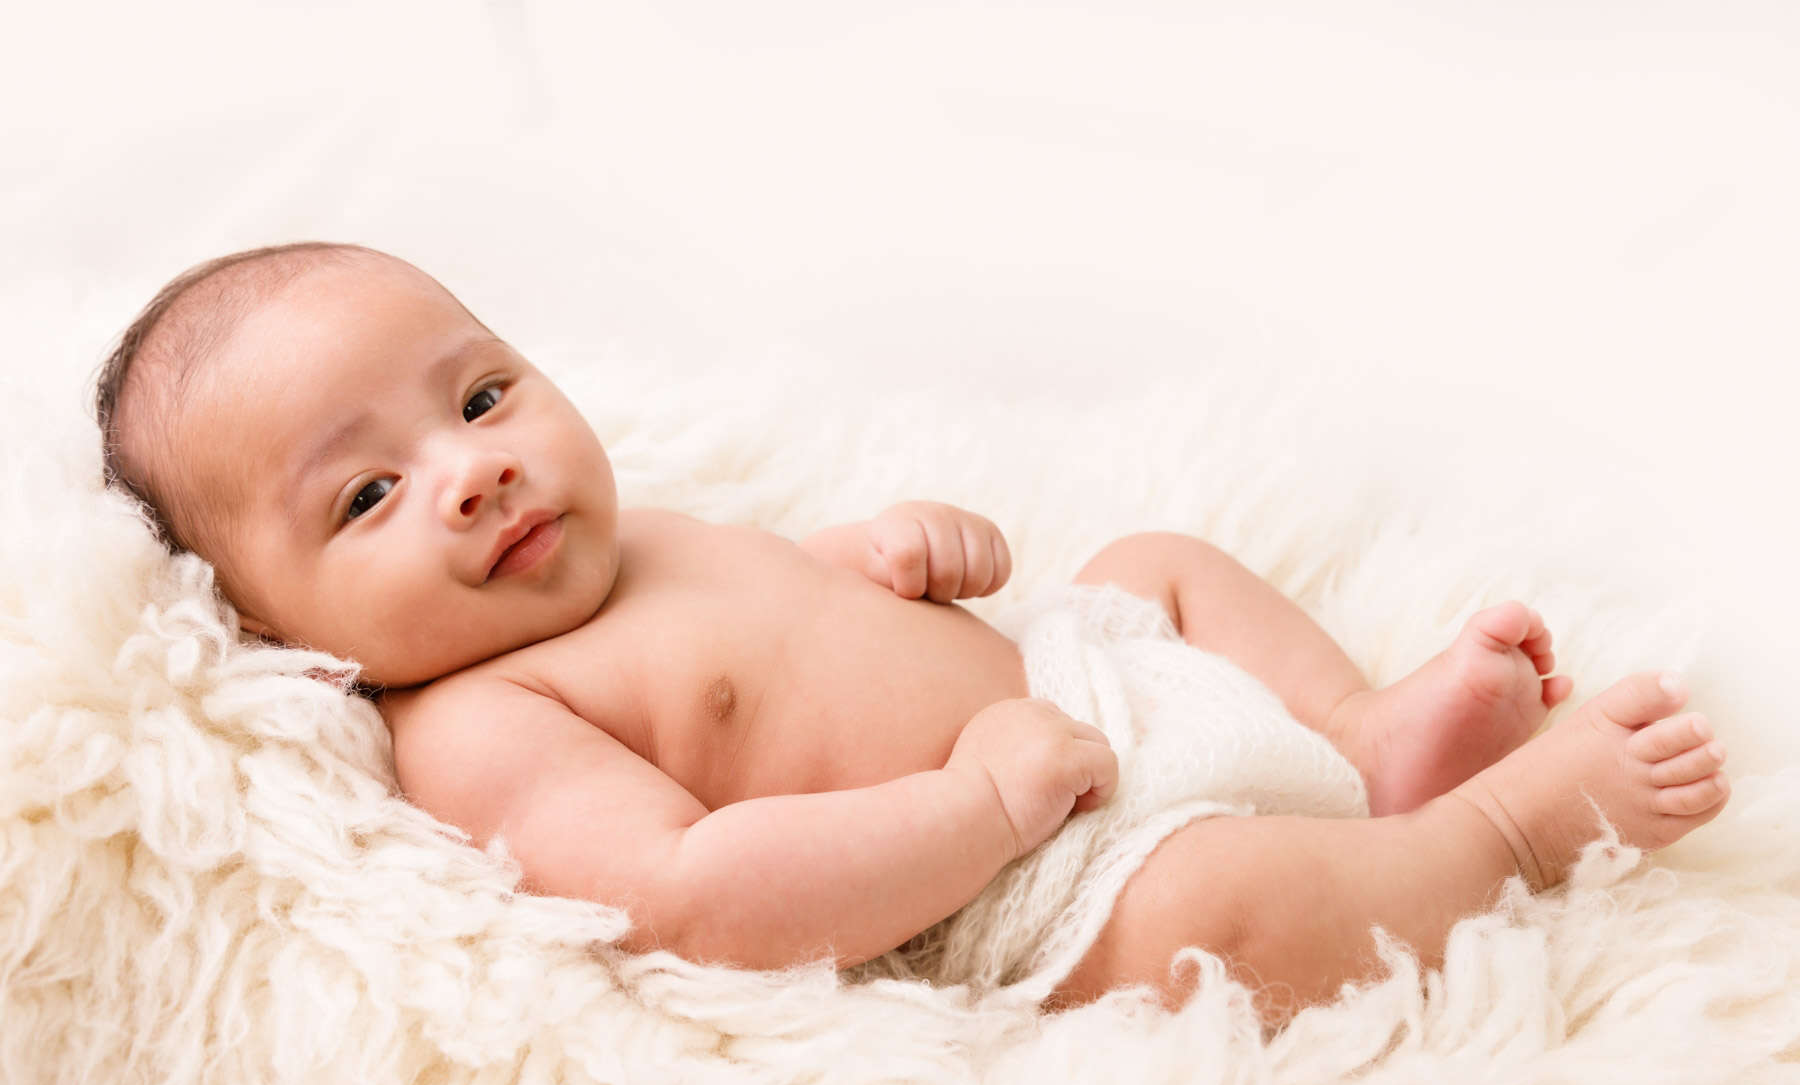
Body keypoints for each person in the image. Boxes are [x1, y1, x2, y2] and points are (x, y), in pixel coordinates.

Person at [92, 241, 1732, 1028]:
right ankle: (1504, 830)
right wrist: (982, 811)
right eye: (367, 497)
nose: (472, 471)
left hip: (1084, 686)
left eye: (479, 393)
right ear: (267, 622)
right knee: (1218, 912)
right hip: (1035, 875)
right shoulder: (477, 723)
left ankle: (1364, 739)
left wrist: (879, 555)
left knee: (1158, 556)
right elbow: (691, 896)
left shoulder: (625, 539)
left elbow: (765, 624)